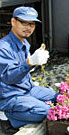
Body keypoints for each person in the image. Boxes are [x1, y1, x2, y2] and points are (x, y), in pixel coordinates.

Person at [0, 6, 58, 134]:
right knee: (48, 112)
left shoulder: (25, 43)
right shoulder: (3, 47)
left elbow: (23, 71)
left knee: (59, 97)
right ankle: (7, 117)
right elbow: (9, 77)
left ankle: (24, 109)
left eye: (31, 24)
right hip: (11, 95)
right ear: (13, 22)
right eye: (24, 22)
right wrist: (30, 62)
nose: (28, 27)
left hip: (27, 88)